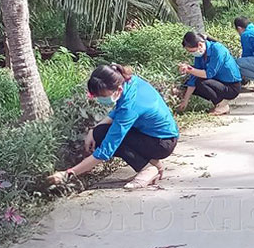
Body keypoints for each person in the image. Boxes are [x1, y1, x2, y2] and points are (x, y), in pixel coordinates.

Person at [47, 64, 179, 190]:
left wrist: (69, 173)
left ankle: (148, 169)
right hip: (155, 135)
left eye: (102, 96)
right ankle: (152, 164)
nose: (98, 99)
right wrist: (92, 130)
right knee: (99, 132)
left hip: (162, 143)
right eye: (96, 95)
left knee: (107, 137)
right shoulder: (130, 81)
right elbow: (117, 111)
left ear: (118, 90)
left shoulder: (129, 108)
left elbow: (106, 150)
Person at [178, 32, 242, 116]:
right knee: (188, 84)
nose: (192, 54)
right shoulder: (200, 55)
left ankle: (222, 105)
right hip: (218, 82)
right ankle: (219, 103)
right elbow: (194, 76)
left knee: (200, 82)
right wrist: (185, 101)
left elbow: (209, 74)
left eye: (192, 51)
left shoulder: (217, 49)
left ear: (200, 45)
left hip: (232, 86)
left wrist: (189, 70)